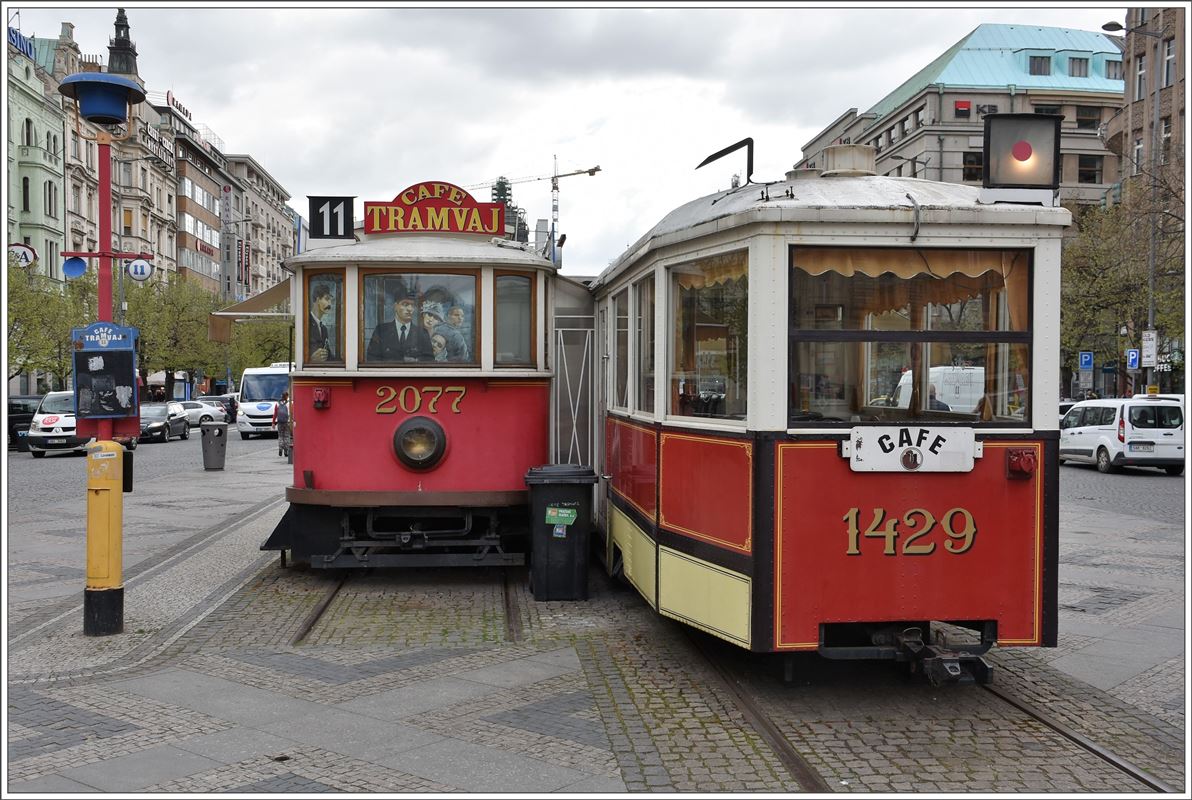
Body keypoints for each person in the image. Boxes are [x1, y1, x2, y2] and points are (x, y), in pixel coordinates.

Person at [366, 287, 434, 362]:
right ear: (395, 306)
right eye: (405, 304)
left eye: (413, 305)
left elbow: (429, 360)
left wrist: (416, 361)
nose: (410, 309)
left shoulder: (422, 333)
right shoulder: (382, 331)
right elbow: (371, 359)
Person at [309, 283, 335, 362]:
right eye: (327, 299)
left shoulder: (323, 329)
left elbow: (328, 356)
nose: (330, 304)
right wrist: (311, 359)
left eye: (331, 300)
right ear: (317, 300)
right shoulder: (306, 324)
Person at [273, 391, 291, 457]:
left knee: (280, 436)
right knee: (286, 436)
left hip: (280, 422)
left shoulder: (277, 404)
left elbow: (275, 414)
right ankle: (286, 451)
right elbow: (292, 413)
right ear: (287, 396)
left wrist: (273, 423)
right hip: (287, 422)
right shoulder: (289, 404)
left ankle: (280, 448)